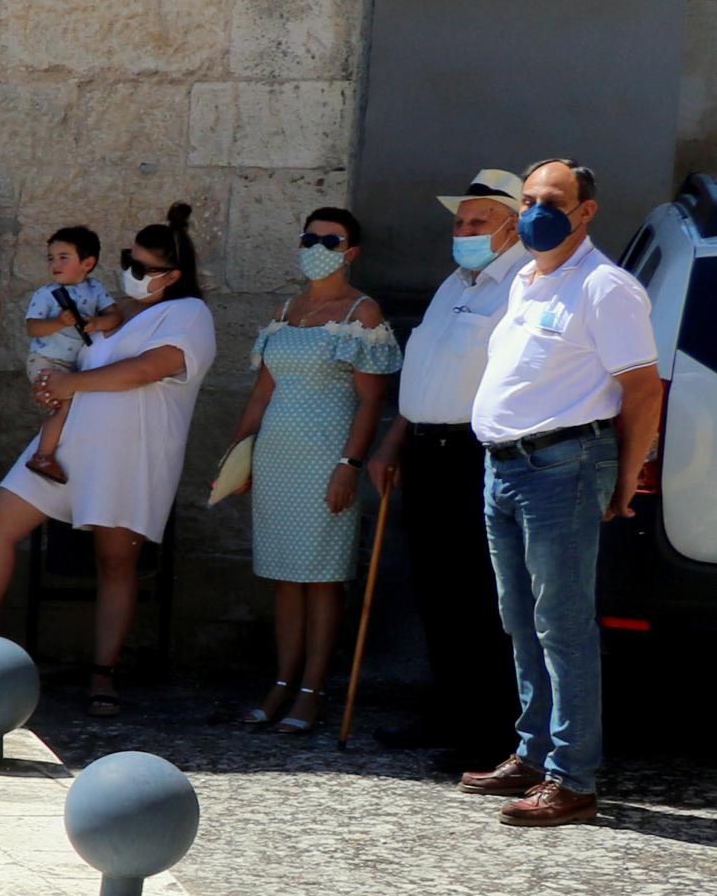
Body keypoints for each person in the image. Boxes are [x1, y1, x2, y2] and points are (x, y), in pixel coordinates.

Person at [461, 158, 664, 828]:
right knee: (518, 615)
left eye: (551, 199)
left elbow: (641, 389)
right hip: (504, 466)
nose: (534, 210)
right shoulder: (524, 276)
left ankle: (571, 776)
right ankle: (532, 751)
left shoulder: (605, 288)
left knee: (561, 622)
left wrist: (628, 477)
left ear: (584, 211)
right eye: (526, 199)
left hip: (561, 467)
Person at [0, 207, 220, 718]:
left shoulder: (190, 315)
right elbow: (77, 360)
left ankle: (103, 673)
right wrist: (53, 384)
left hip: (132, 455)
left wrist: (73, 383)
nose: (133, 274)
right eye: (130, 261)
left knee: (115, 563)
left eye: (145, 268)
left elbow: (149, 368)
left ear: (174, 275)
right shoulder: (117, 307)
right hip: (70, 443)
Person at [371, 172, 533, 772]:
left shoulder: (520, 285)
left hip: (475, 451)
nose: (461, 234)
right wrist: (393, 442)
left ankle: (488, 734)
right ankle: (447, 709)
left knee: (478, 597)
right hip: (425, 447)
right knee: (435, 590)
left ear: (511, 226)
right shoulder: (453, 284)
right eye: (459, 223)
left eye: (475, 223)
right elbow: (425, 374)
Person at [214, 205, 397, 735]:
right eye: (310, 237)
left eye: (331, 240)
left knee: (322, 579)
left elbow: (370, 402)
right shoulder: (285, 309)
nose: (318, 247)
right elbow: (262, 391)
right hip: (276, 460)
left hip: (326, 460)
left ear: (351, 252)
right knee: (284, 579)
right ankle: (282, 682)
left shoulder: (363, 314)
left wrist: (350, 465)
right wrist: (236, 454)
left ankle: (313, 690)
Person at [16, 225, 115, 482]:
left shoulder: (96, 290)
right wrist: (59, 322)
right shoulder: (46, 294)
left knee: (76, 408)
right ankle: (43, 456)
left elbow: (116, 316)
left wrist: (97, 323)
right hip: (46, 361)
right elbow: (33, 327)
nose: (55, 264)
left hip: (75, 367)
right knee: (65, 407)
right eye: (51, 258)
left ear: (87, 263)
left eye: (63, 257)